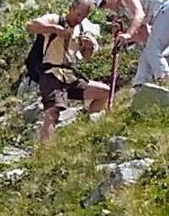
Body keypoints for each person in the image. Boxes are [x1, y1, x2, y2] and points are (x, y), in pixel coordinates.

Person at [73, 0, 169, 95]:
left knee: (152, 50)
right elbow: (146, 37)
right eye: (101, 6)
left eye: (104, 2)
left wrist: (128, 34)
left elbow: (139, 14)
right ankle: (139, 86)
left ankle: (167, 80)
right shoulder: (125, 11)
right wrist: (124, 39)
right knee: (148, 52)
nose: (105, 7)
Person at [19, 11, 106, 148]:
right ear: (72, 9)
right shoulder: (55, 19)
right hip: (51, 73)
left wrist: (88, 47)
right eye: (78, 14)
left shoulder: (82, 29)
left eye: (83, 15)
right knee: (53, 111)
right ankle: (46, 150)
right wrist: (54, 29)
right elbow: (30, 26)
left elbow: (86, 57)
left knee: (104, 92)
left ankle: (88, 131)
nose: (79, 18)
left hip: (70, 75)